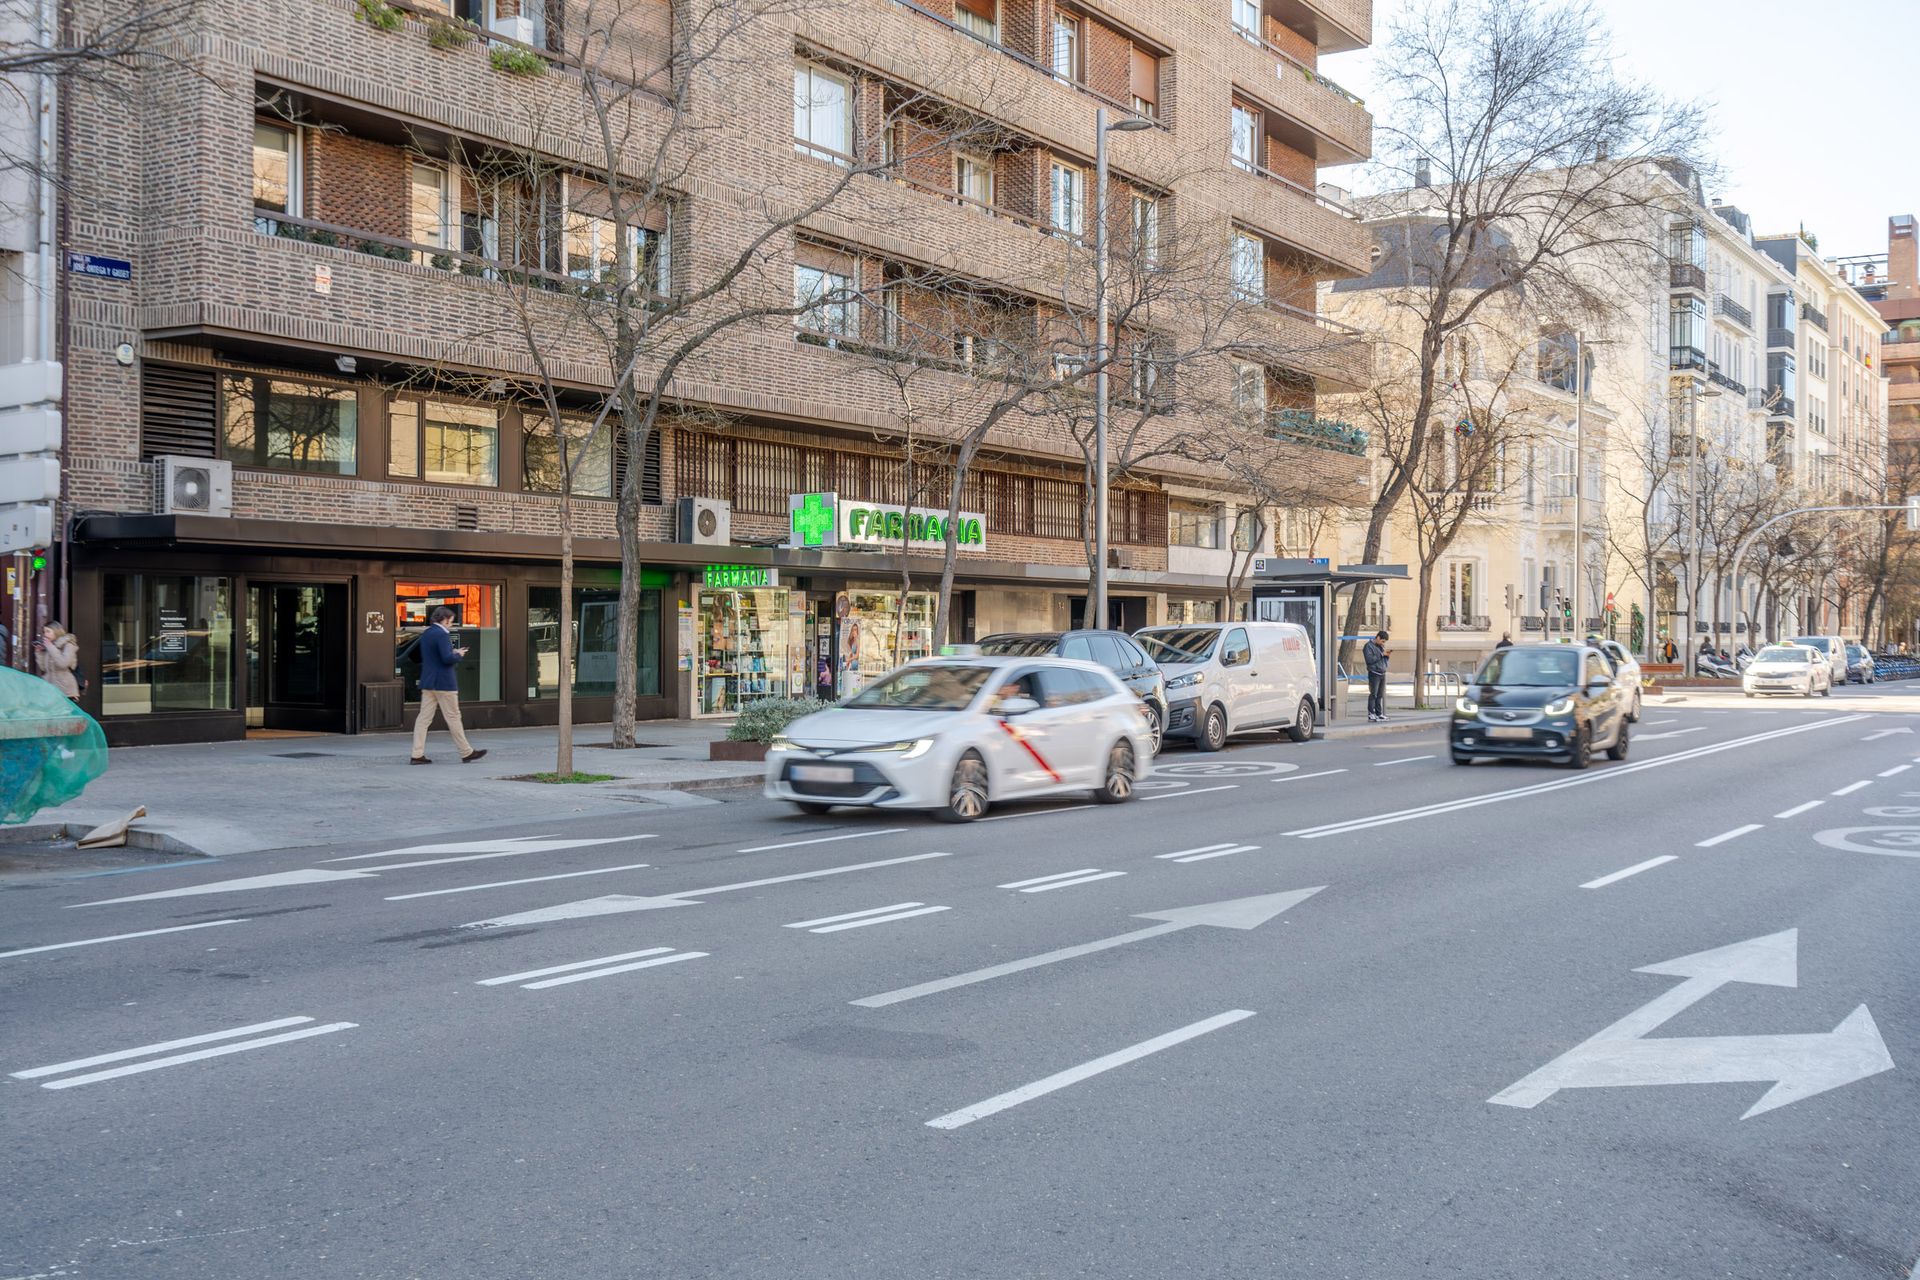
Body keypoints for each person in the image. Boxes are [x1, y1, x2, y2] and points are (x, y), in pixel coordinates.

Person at [410, 607, 487, 765]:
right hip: (444, 683)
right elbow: (446, 659)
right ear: (444, 620)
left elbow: (429, 656)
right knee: (453, 717)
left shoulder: (427, 634)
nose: (450, 625)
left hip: (428, 682)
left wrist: (452, 652)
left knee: (423, 719)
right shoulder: (442, 634)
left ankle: (417, 754)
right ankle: (466, 752)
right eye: (450, 621)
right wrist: (458, 654)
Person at [34, 622, 80, 701]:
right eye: (44, 632)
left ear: (56, 631)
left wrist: (50, 647)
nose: (45, 634)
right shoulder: (51, 646)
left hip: (65, 689)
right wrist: (39, 653)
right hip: (50, 688)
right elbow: (44, 668)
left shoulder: (68, 645)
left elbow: (63, 663)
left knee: (64, 713)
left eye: (48, 631)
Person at [1362, 630, 1390, 723]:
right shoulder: (1368, 646)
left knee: (1380, 695)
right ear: (1377, 637)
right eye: (1382, 641)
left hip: (1382, 672)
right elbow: (1369, 660)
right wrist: (1382, 654)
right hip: (1374, 673)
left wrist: (1386, 655)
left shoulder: (1380, 647)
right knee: (1373, 694)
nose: (1383, 643)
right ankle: (1371, 713)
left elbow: (1382, 658)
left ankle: (1379, 714)